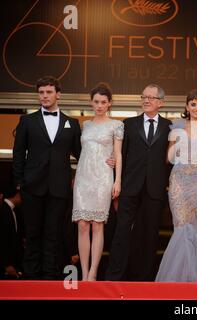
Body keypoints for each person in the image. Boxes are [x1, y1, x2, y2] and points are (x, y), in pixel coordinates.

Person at [12, 76, 82, 279]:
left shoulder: (72, 123)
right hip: (32, 186)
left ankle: (49, 277)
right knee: (33, 233)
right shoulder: (27, 121)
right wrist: (20, 182)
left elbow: (82, 156)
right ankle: (31, 277)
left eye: (49, 92)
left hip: (59, 188)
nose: (44, 96)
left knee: (54, 233)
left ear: (58, 94)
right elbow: (18, 154)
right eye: (41, 92)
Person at [155, 89, 197, 282]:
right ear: (187, 106)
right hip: (178, 180)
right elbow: (168, 158)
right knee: (181, 226)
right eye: (192, 104)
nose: (196, 107)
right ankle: (179, 277)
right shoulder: (176, 125)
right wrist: (180, 145)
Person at [106, 84, 171, 281]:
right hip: (130, 186)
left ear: (160, 102)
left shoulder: (169, 127)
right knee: (122, 231)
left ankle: (145, 277)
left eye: (151, 98)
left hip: (155, 188)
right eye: (144, 97)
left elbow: (169, 160)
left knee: (150, 234)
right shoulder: (128, 124)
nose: (146, 100)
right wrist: (117, 180)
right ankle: (114, 276)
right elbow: (121, 155)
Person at [72, 83, 123, 281]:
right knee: (82, 225)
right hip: (83, 177)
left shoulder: (117, 125)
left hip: (103, 177)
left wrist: (117, 181)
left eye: (103, 102)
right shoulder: (86, 125)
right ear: (91, 102)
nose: (99, 105)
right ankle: (83, 274)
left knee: (97, 225)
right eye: (96, 102)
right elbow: (82, 153)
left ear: (109, 103)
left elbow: (117, 154)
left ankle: (93, 273)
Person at [0, 187, 24, 279]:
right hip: (5, 265)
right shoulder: (4, 210)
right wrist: (6, 264)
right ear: (17, 195)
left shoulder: (12, 210)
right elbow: (3, 239)